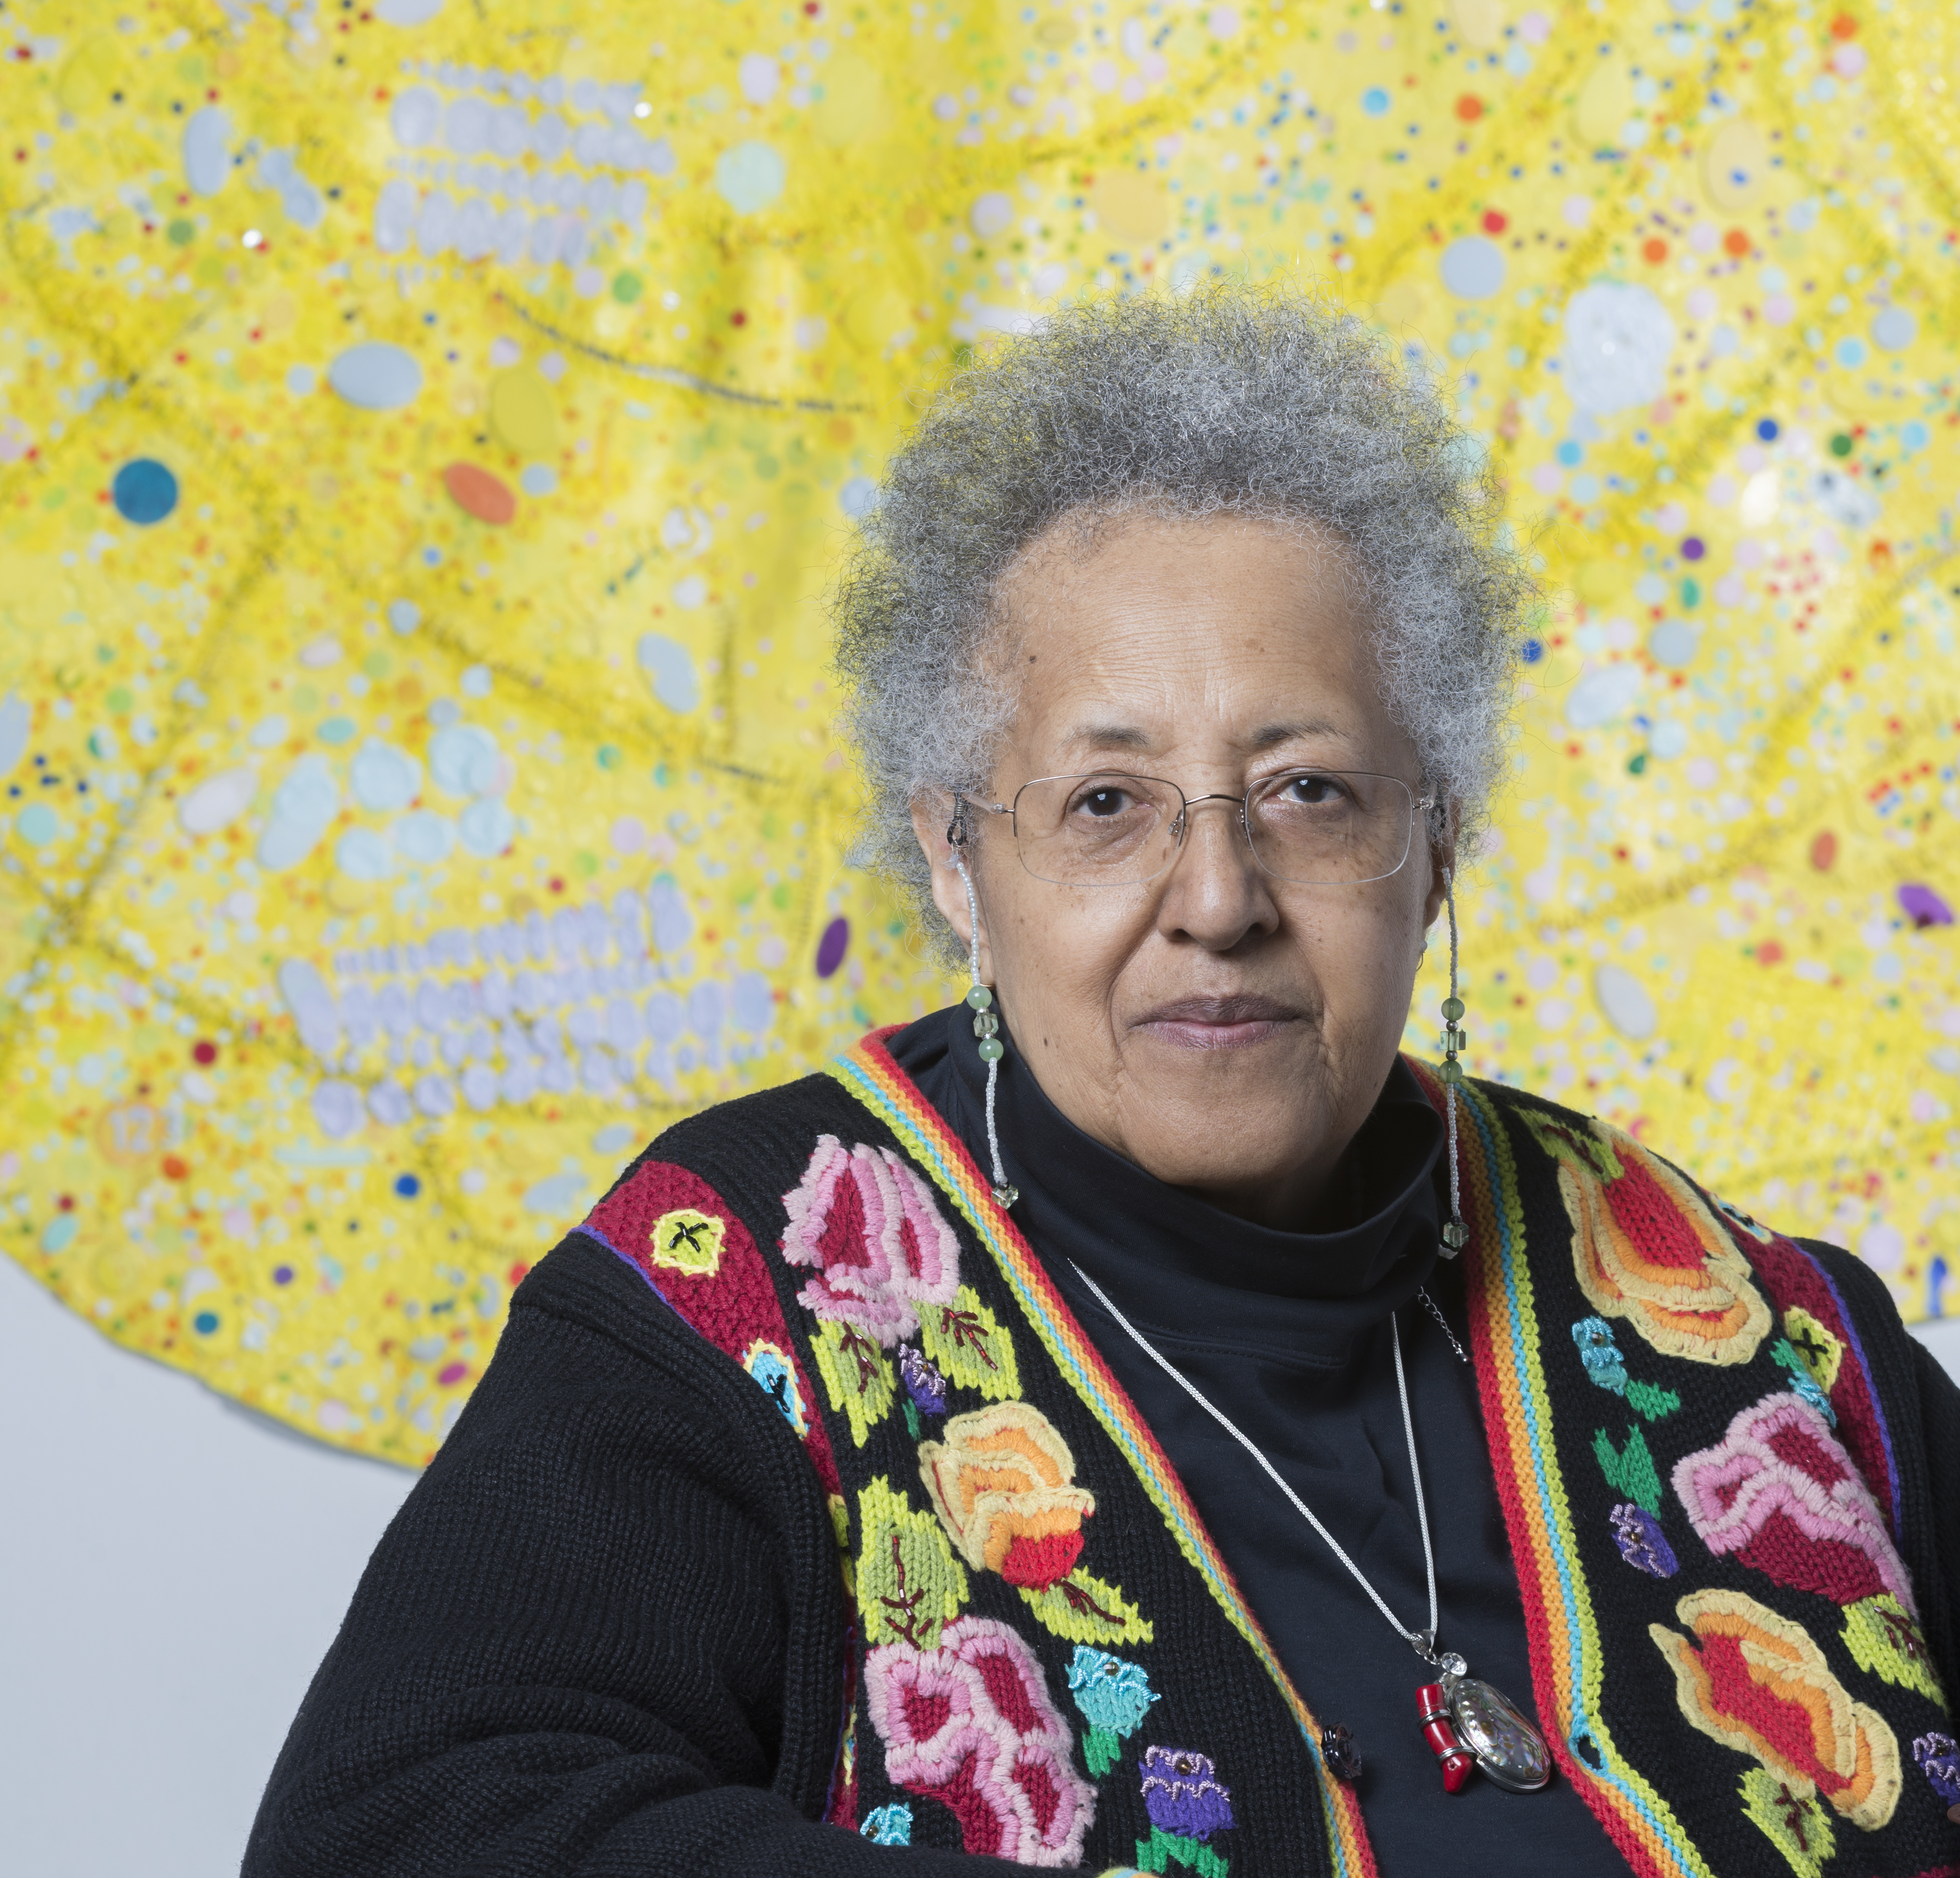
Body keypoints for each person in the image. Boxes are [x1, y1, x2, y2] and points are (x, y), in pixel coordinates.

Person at [245, 290, 1960, 1878]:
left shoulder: (1755, 1322)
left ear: (1436, 847)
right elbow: (403, 1826)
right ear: (955, 864)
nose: (1217, 902)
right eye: (1103, 804)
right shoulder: (740, 1289)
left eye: (1307, 793)